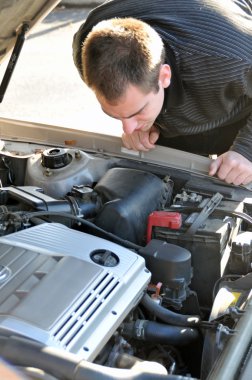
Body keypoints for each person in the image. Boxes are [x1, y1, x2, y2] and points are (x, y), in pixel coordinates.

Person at [72, 0, 252, 186]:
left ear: (164, 75)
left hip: (236, 109)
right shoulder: (87, 49)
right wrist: (146, 121)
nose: (128, 130)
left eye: (137, 113)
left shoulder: (234, 57)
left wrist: (247, 150)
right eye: (115, 115)